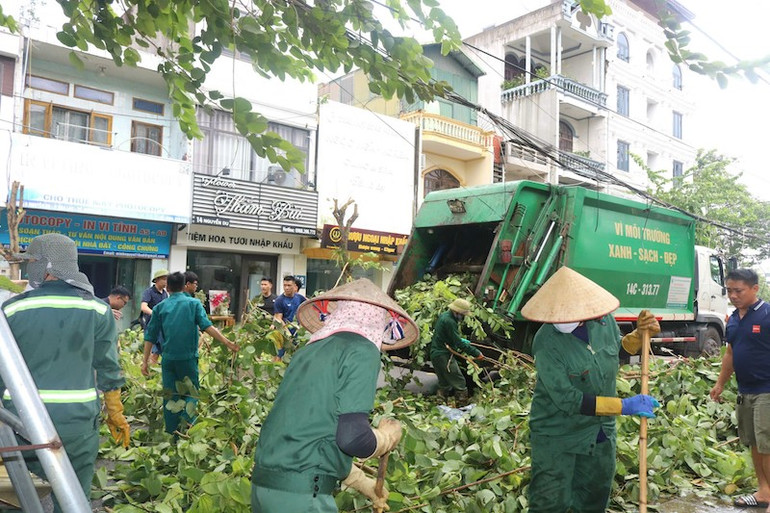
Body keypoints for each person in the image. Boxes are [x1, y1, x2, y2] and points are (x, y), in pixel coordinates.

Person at [250, 278, 419, 513]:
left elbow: (312, 435)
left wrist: (364, 484)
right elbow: (353, 438)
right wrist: (386, 438)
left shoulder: (307, 351)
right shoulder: (362, 350)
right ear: (378, 322)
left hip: (265, 490)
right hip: (303, 497)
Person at [0, 234, 130, 512]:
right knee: (73, 498)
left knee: (15, 496)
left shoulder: (11, 309)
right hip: (77, 425)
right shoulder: (97, 309)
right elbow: (108, 369)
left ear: (45, 266)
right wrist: (116, 413)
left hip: (20, 424)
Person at [521, 266, 661, 513]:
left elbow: (615, 351)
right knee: (550, 503)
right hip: (558, 434)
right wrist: (624, 406)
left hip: (600, 433)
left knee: (593, 500)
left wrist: (639, 335)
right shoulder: (546, 343)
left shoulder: (603, 322)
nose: (563, 320)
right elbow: (569, 400)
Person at [142, 272, 239, 435]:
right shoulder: (193, 304)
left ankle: (172, 432)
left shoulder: (160, 308)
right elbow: (208, 327)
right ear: (183, 286)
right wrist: (228, 343)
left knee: (170, 395)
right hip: (187, 359)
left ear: (168, 287)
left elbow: (150, 337)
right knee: (192, 392)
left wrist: (145, 361)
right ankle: (187, 425)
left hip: (168, 360)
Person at [710, 268, 770, 508]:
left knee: (767, 443)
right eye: (729, 291)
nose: (733, 296)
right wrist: (720, 383)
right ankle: (764, 491)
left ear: (754, 289)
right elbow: (731, 354)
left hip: (767, 389)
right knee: (754, 442)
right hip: (745, 390)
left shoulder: (767, 315)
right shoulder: (733, 319)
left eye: (739, 291)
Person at [429, 298, 483, 403]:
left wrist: (461, 340)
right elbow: (459, 343)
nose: (463, 317)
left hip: (436, 354)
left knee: (444, 383)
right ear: (457, 312)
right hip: (443, 355)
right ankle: (462, 409)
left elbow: (446, 336)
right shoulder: (449, 321)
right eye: (462, 314)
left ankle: (440, 407)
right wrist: (476, 353)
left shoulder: (444, 316)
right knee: (459, 382)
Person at [272, 275, 307, 359]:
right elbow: (278, 319)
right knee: (279, 356)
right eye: (285, 285)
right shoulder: (279, 300)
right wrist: (287, 335)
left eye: (289, 285)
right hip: (284, 335)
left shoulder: (299, 298)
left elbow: (308, 306)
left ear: (294, 286)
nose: (286, 288)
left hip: (297, 334)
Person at [141, 269, 169, 362]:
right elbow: (143, 307)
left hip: (162, 327)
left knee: (158, 351)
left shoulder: (165, 294)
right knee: (151, 350)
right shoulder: (149, 292)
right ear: (157, 280)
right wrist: (155, 313)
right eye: (164, 279)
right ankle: (146, 369)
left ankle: (152, 371)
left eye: (167, 279)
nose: (166, 282)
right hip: (150, 325)